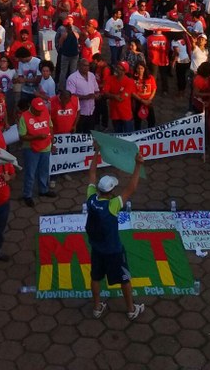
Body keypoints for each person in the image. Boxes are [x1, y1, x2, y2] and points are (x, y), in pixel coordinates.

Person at [85, 143, 145, 321]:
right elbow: (131, 188)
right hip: (113, 251)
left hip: (97, 249)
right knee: (124, 279)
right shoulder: (113, 206)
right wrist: (138, 165)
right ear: (110, 193)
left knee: (95, 277)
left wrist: (96, 152)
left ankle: (97, 308)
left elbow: (91, 174)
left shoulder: (90, 199)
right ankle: (131, 309)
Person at [18, 97, 55, 208]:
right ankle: (27, 195)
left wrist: (51, 141)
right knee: (30, 172)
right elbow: (22, 136)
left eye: (41, 109)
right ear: (32, 108)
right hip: (31, 149)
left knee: (44, 170)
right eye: (37, 110)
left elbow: (50, 126)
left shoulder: (45, 111)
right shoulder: (24, 117)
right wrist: (37, 137)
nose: (40, 112)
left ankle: (43, 190)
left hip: (46, 148)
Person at [66, 58, 99, 134]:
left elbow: (96, 90)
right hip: (79, 114)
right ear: (79, 66)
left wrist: (97, 95)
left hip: (91, 111)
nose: (86, 67)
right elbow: (70, 96)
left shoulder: (92, 76)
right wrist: (86, 97)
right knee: (78, 134)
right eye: (84, 66)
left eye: (88, 66)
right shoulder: (72, 78)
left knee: (90, 134)